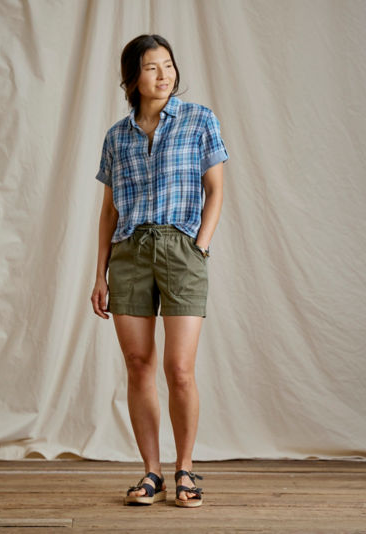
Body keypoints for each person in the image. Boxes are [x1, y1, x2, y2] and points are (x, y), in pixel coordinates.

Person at [90, 34, 228, 508]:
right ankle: (151, 473)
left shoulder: (199, 120)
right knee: (138, 365)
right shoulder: (116, 136)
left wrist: (200, 247)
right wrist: (99, 274)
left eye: (168, 65)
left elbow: (216, 190)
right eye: (152, 67)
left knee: (179, 368)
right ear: (132, 78)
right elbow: (108, 212)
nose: (164, 74)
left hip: (181, 248)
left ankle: (185, 468)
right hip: (129, 251)